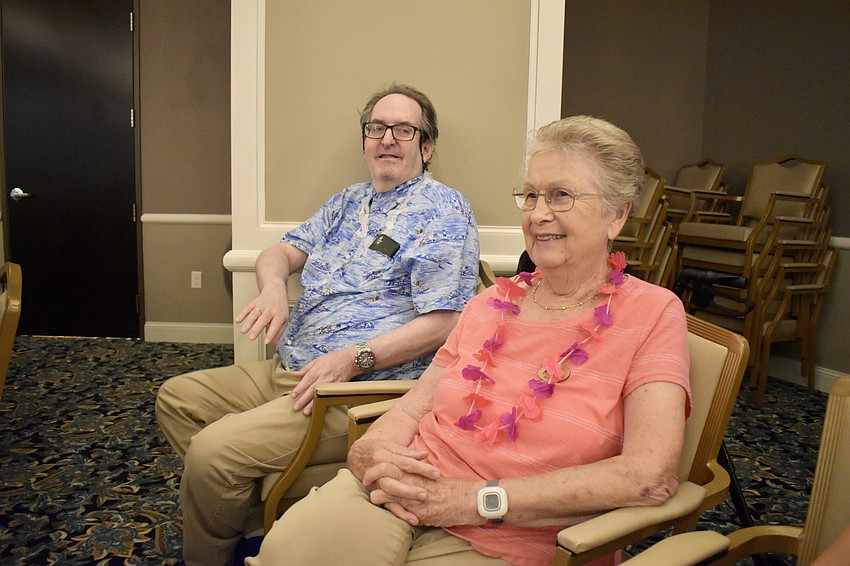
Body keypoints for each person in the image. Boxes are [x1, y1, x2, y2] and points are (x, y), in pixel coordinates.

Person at [248, 115, 692, 566]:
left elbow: (647, 475)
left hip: (511, 534)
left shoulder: (653, 314)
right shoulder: (489, 304)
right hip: (405, 493)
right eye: (531, 195)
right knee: (286, 554)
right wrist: (370, 457)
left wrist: (473, 500)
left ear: (617, 214)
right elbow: (413, 408)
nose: (538, 214)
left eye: (561, 195)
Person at [155, 84, 480, 566]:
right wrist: (271, 287)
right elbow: (279, 252)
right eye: (377, 128)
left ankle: (211, 554)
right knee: (176, 400)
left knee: (211, 454)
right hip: (292, 366)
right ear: (366, 140)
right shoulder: (349, 201)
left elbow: (444, 323)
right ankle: (247, 515)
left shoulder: (444, 211)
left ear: (426, 146)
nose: (387, 138)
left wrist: (352, 359)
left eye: (404, 130)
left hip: (355, 387)